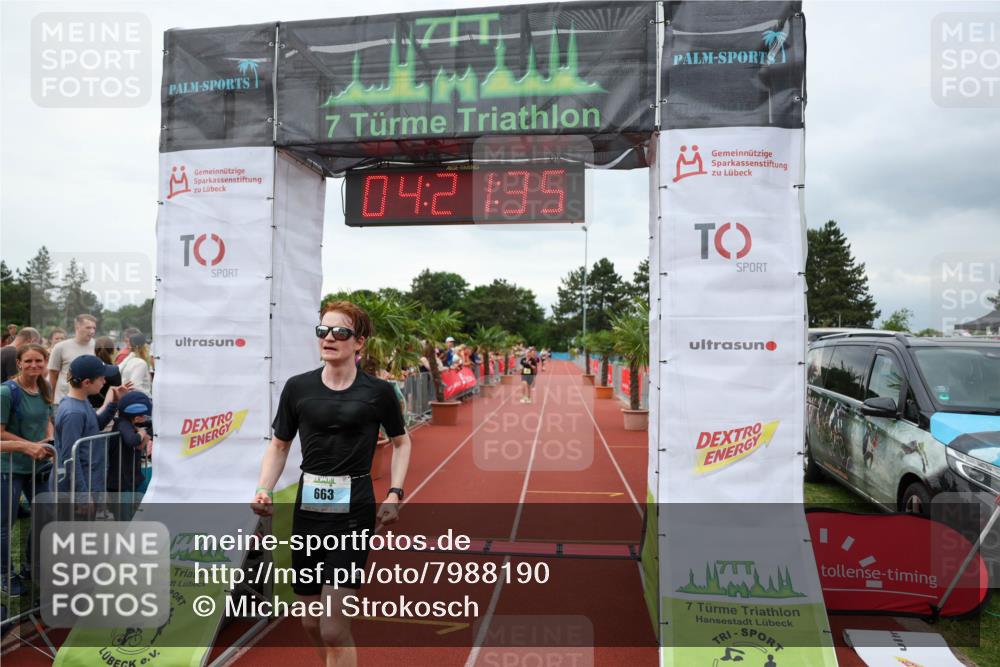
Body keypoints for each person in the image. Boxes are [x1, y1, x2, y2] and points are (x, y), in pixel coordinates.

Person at [252, 300, 411, 667]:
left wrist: (394, 493)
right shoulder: (298, 388)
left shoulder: (378, 392)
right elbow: (279, 445)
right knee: (310, 621)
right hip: (309, 512)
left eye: (340, 332)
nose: (329, 338)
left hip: (354, 513)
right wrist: (263, 488)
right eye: (323, 330)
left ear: (359, 342)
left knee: (334, 629)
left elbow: (402, 442)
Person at [1, 344, 55, 595]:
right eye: (29, 361)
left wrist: (49, 440)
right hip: (9, 468)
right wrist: (28, 446)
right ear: (19, 363)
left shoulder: (45, 387)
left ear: (45, 362)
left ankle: (31, 566)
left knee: (46, 517)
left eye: (39, 361)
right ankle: (5, 574)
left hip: (39, 466)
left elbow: (48, 419)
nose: (34, 365)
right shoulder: (6, 392)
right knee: (5, 525)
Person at [50, 355, 126, 507]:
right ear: (86, 382)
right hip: (77, 489)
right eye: (101, 378)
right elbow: (70, 457)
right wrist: (82, 495)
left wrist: (114, 402)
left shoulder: (81, 401)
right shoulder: (74, 412)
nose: (104, 381)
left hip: (87, 481)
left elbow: (94, 426)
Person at [107, 391, 152, 520]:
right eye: (143, 415)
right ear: (136, 417)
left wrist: (145, 435)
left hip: (130, 477)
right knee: (124, 518)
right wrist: (141, 433)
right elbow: (132, 440)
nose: (145, 418)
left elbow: (149, 428)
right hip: (120, 481)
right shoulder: (122, 424)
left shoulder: (128, 423)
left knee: (136, 512)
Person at [48, 314, 98, 404]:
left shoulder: (96, 345)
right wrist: (51, 399)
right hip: (63, 400)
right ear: (77, 327)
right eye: (88, 328)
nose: (92, 331)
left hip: (87, 401)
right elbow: (53, 374)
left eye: (94, 328)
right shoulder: (60, 347)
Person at [90, 337, 123, 409]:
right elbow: (116, 395)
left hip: (88, 408)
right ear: (112, 351)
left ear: (95, 350)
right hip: (107, 410)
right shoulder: (114, 371)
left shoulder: (88, 367)